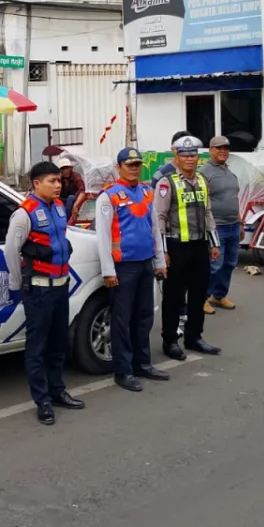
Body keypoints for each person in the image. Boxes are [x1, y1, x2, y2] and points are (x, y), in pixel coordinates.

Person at [3, 161, 85, 426]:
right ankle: (43, 401)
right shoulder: (24, 214)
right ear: (36, 184)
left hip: (60, 286)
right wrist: (17, 283)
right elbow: (11, 250)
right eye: (52, 181)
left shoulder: (59, 207)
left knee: (58, 344)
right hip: (38, 290)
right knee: (37, 347)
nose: (58, 185)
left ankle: (57, 391)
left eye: (59, 180)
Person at [95, 147, 170, 392]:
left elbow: (154, 230)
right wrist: (108, 271)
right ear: (119, 167)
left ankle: (142, 363)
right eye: (129, 165)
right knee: (122, 320)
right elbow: (103, 237)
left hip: (145, 263)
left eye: (137, 164)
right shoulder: (109, 196)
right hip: (123, 267)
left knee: (144, 316)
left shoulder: (146, 192)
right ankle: (123, 371)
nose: (134, 168)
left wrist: (159, 262)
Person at [154, 135, 222, 359]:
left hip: (199, 245)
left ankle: (194, 336)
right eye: (185, 155)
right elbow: (159, 218)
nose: (190, 159)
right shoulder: (167, 183)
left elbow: (208, 212)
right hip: (176, 246)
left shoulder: (202, 180)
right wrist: (162, 252)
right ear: (176, 157)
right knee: (173, 296)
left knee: (198, 294)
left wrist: (214, 243)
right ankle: (170, 340)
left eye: (193, 155)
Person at [199, 135, 242, 315]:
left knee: (229, 264)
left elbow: (234, 198)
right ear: (210, 150)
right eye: (219, 148)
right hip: (216, 227)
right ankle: (202, 298)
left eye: (226, 148)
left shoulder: (229, 172)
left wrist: (239, 222)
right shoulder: (204, 173)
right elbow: (201, 203)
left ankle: (218, 295)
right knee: (214, 265)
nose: (223, 151)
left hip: (233, 225)